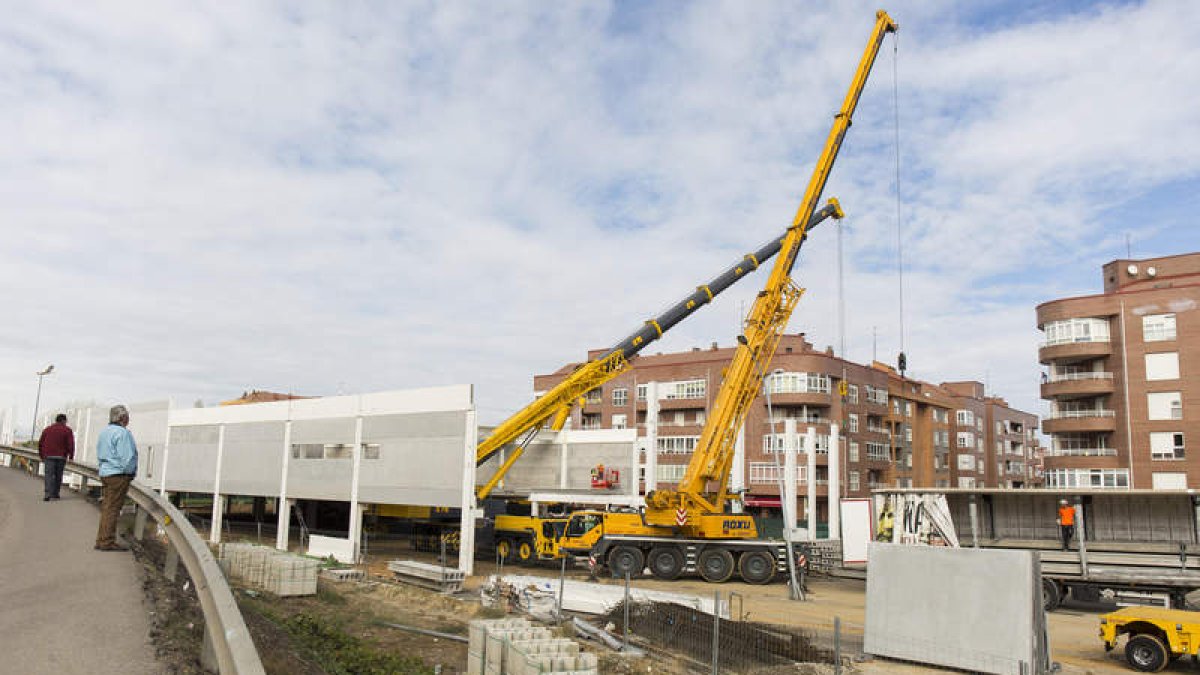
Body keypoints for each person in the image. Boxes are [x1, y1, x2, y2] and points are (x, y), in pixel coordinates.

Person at [95, 405, 138, 552]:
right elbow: (127, 457)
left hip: (105, 472)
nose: (128, 419)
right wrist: (130, 473)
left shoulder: (104, 432)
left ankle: (101, 539)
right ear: (122, 418)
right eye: (127, 416)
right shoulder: (123, 433)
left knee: (107, 507)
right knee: (113, 509)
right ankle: (107, 541)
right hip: (118, 474)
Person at [37, 413, 75, 501]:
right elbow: (71, 444)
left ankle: (47, 493)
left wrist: (41, 455)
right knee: (58, 475)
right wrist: (71, 456)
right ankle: (55, 493)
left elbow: (41, 443)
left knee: (48, 475)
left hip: (48, 455)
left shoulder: (47, 429)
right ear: (64, 421)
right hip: (61, 456)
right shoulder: (67, 430)